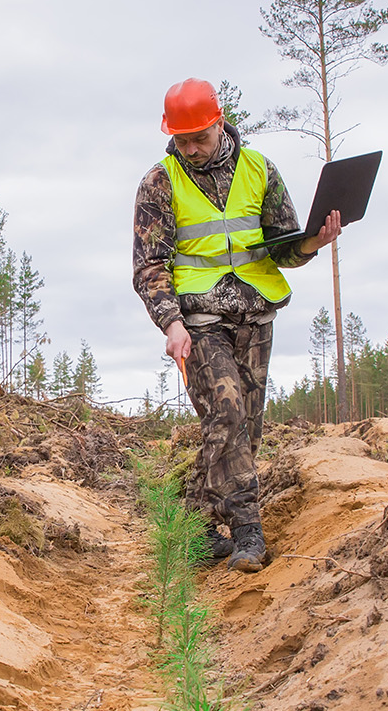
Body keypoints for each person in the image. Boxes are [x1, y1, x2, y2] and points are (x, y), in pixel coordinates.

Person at [132, 78, 340, 573]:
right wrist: (171, 324)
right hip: (198, 321)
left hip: (255, 313)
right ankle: (249, 531)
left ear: (219, 123)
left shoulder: (259, 169)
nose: (191, 149)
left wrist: (314, 243)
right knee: (226, 413)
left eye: (199, 138)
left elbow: (283, 246)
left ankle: (194, 525)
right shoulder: (159, 182)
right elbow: (149, 266)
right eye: (181, 140)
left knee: (243, 429)